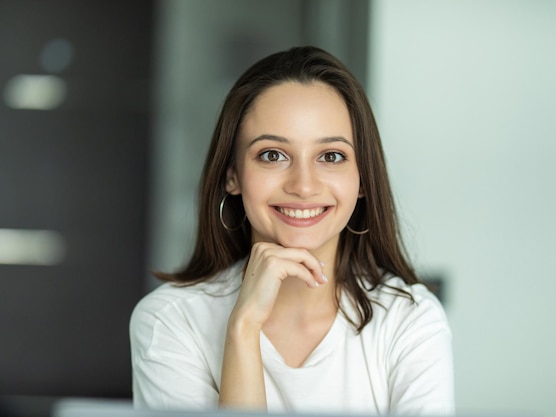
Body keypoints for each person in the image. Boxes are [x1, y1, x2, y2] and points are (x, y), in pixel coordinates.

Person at [130, 46, 454, 415]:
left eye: (331, 156)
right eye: (272, 155)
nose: (303, 185)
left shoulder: (411, 321)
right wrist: (243, 328)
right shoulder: (170, 321)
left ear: (362, 180)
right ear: (232, 175)